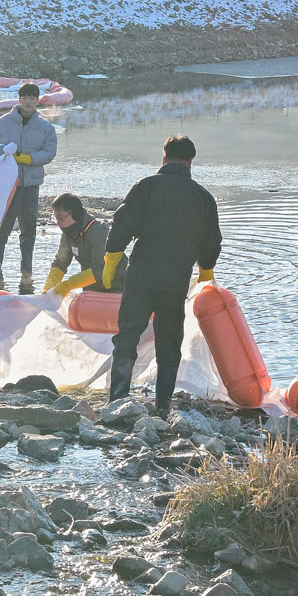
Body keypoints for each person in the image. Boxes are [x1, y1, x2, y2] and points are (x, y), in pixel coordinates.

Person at [104, 134, 222, 418]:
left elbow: (122, 225)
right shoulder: (203, 198)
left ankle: (117, 399)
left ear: (164, 156)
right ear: (191, 161)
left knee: (128, 336)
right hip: (175, 282)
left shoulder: (146, 186)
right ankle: (163, 405)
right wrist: (206, 269)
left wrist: (112, 257)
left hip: (141, 278)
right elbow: (211, 242)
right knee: (169, 343)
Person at [0, 82, 58, 294]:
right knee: (3, 228)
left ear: (37, 101)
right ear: (19, 100)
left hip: (31, 185)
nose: (28, 102)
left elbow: (49, 152)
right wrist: (4, 153)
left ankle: (26, 272)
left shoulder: (45, 127)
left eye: (32, 98)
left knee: (29, 229)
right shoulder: (2, 123)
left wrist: (28, 158)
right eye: (24, 98)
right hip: (7, 186)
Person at [43, 192, 124, 296]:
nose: (58, 223)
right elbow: (60, 263)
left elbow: (100, 269)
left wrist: (67, 285)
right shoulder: (68, 233)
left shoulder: (99, 232)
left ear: (75, 215)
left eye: (60, 218)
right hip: (91, 289)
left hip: (117, 288)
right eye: (55, 218)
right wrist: (48, 290)